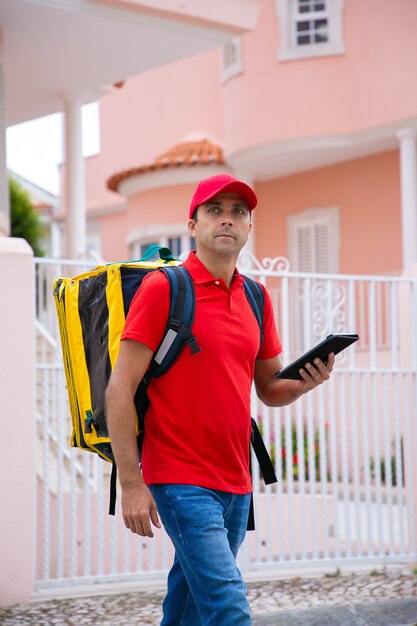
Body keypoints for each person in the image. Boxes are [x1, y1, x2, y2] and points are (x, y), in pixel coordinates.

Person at [105, 173, 335, 626]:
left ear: (248, 227)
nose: (227, 220)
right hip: (178, 478)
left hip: (236, 480)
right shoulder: (164, 290)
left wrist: (308, 380)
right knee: (228, 605)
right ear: (193, 225)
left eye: (238, 213)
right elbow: (119, 388)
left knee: (189, 604)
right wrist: (132, 483)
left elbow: (269, 389)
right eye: (214, 210)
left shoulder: (256, 296)